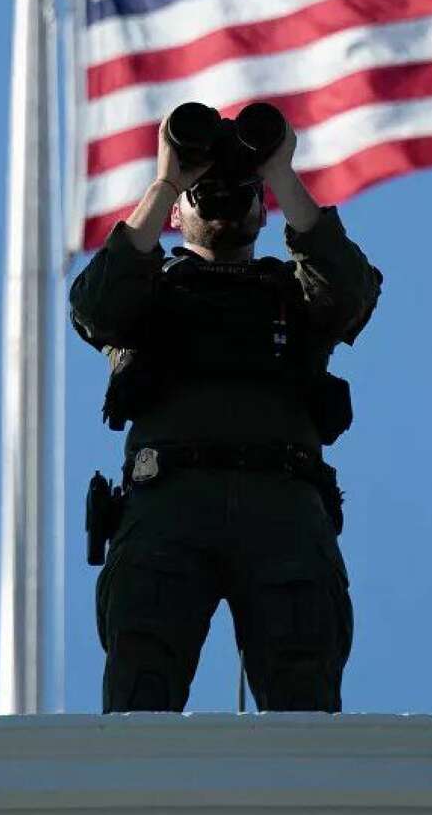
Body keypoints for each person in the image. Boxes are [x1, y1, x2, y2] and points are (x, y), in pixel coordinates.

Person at [70, 103, 382, 712]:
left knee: (303, 703)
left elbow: (348, 291)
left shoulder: (295, 297)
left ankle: (300, 809)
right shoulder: (147, 295)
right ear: (177, 214)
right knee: (141, 693)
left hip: (282, 503)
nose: (219, 199)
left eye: (238, 192)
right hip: (168, 502)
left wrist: (280, 174)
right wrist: (165, 182)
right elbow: (95, 307)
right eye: (201, 192)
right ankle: (137, 809)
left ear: (261, 207)